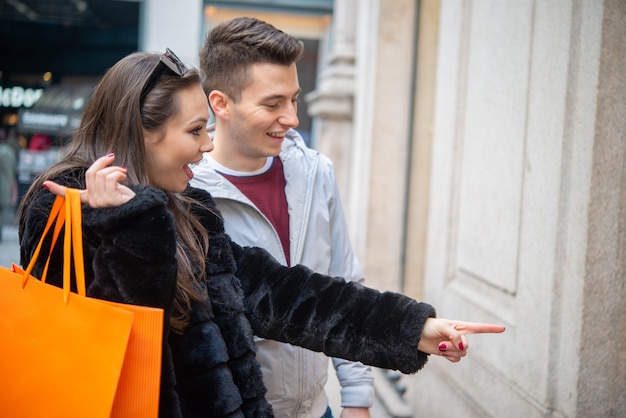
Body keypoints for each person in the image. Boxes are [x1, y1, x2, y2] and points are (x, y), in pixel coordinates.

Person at [17, 49, 505, 418]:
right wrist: (126, 229)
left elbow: (285, 296)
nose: (207, 147)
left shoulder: (190, 208)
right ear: (144, 132)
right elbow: (127, 336)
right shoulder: (58, 205)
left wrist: (411, 328)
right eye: (194, 132)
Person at [191, 16, 371, 418]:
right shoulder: (187, 192)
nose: (292, 118)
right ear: (220, 103)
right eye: (273, 104)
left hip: (316, 410)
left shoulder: (316, 172)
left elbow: (343, 283)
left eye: (293, 99)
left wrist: (357, 395)